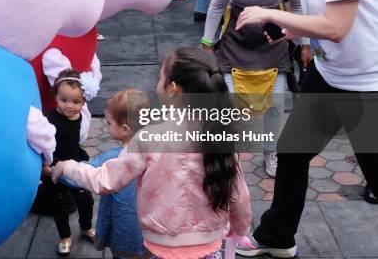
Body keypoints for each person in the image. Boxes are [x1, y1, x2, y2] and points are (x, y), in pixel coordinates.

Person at [234, 0, 378, 256]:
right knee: (292, 153)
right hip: (330, 75)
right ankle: (276, 237)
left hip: (367, 83)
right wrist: (289, 29)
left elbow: (336, 27)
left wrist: (267, 12)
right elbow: (321, 16)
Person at [53, 47, 252, 259]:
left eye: (160, 78)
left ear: (173, 89)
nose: (157, 84)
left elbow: (106, 180)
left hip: (161, 247)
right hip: (209, 246)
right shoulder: (222, 134)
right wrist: (240, 229)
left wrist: (69, 167)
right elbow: (238, 195)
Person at [201, 0, 311, 177]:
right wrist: (207, 43)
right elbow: (217, 4)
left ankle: (270, 151)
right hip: (237, 33)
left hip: (272, 35)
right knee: (227, 97)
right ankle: (224, 153)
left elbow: (296, 6)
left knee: (277, 99)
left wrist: (304, 44)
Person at [89, 89, 150, 259]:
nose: (106, 125)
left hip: (125, 234)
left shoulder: (112, 158)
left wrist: (59, 168)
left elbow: (86, 171)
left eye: (109, 122)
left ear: (124, 129)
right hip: (153, 235)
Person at [43, 69, 95, 256]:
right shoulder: (48, 120)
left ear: (83, 102)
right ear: (55, 96)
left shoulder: (79, 117)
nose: (69, 106)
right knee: (59, 206)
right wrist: (48, 166)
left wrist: (81, 155)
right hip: (55, 168)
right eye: (63, 100)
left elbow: (72, 141)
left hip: (75, 165)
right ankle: (65, 236)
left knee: (86, 200)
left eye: (76, 102)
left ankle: (86, 227)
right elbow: (44, 146)